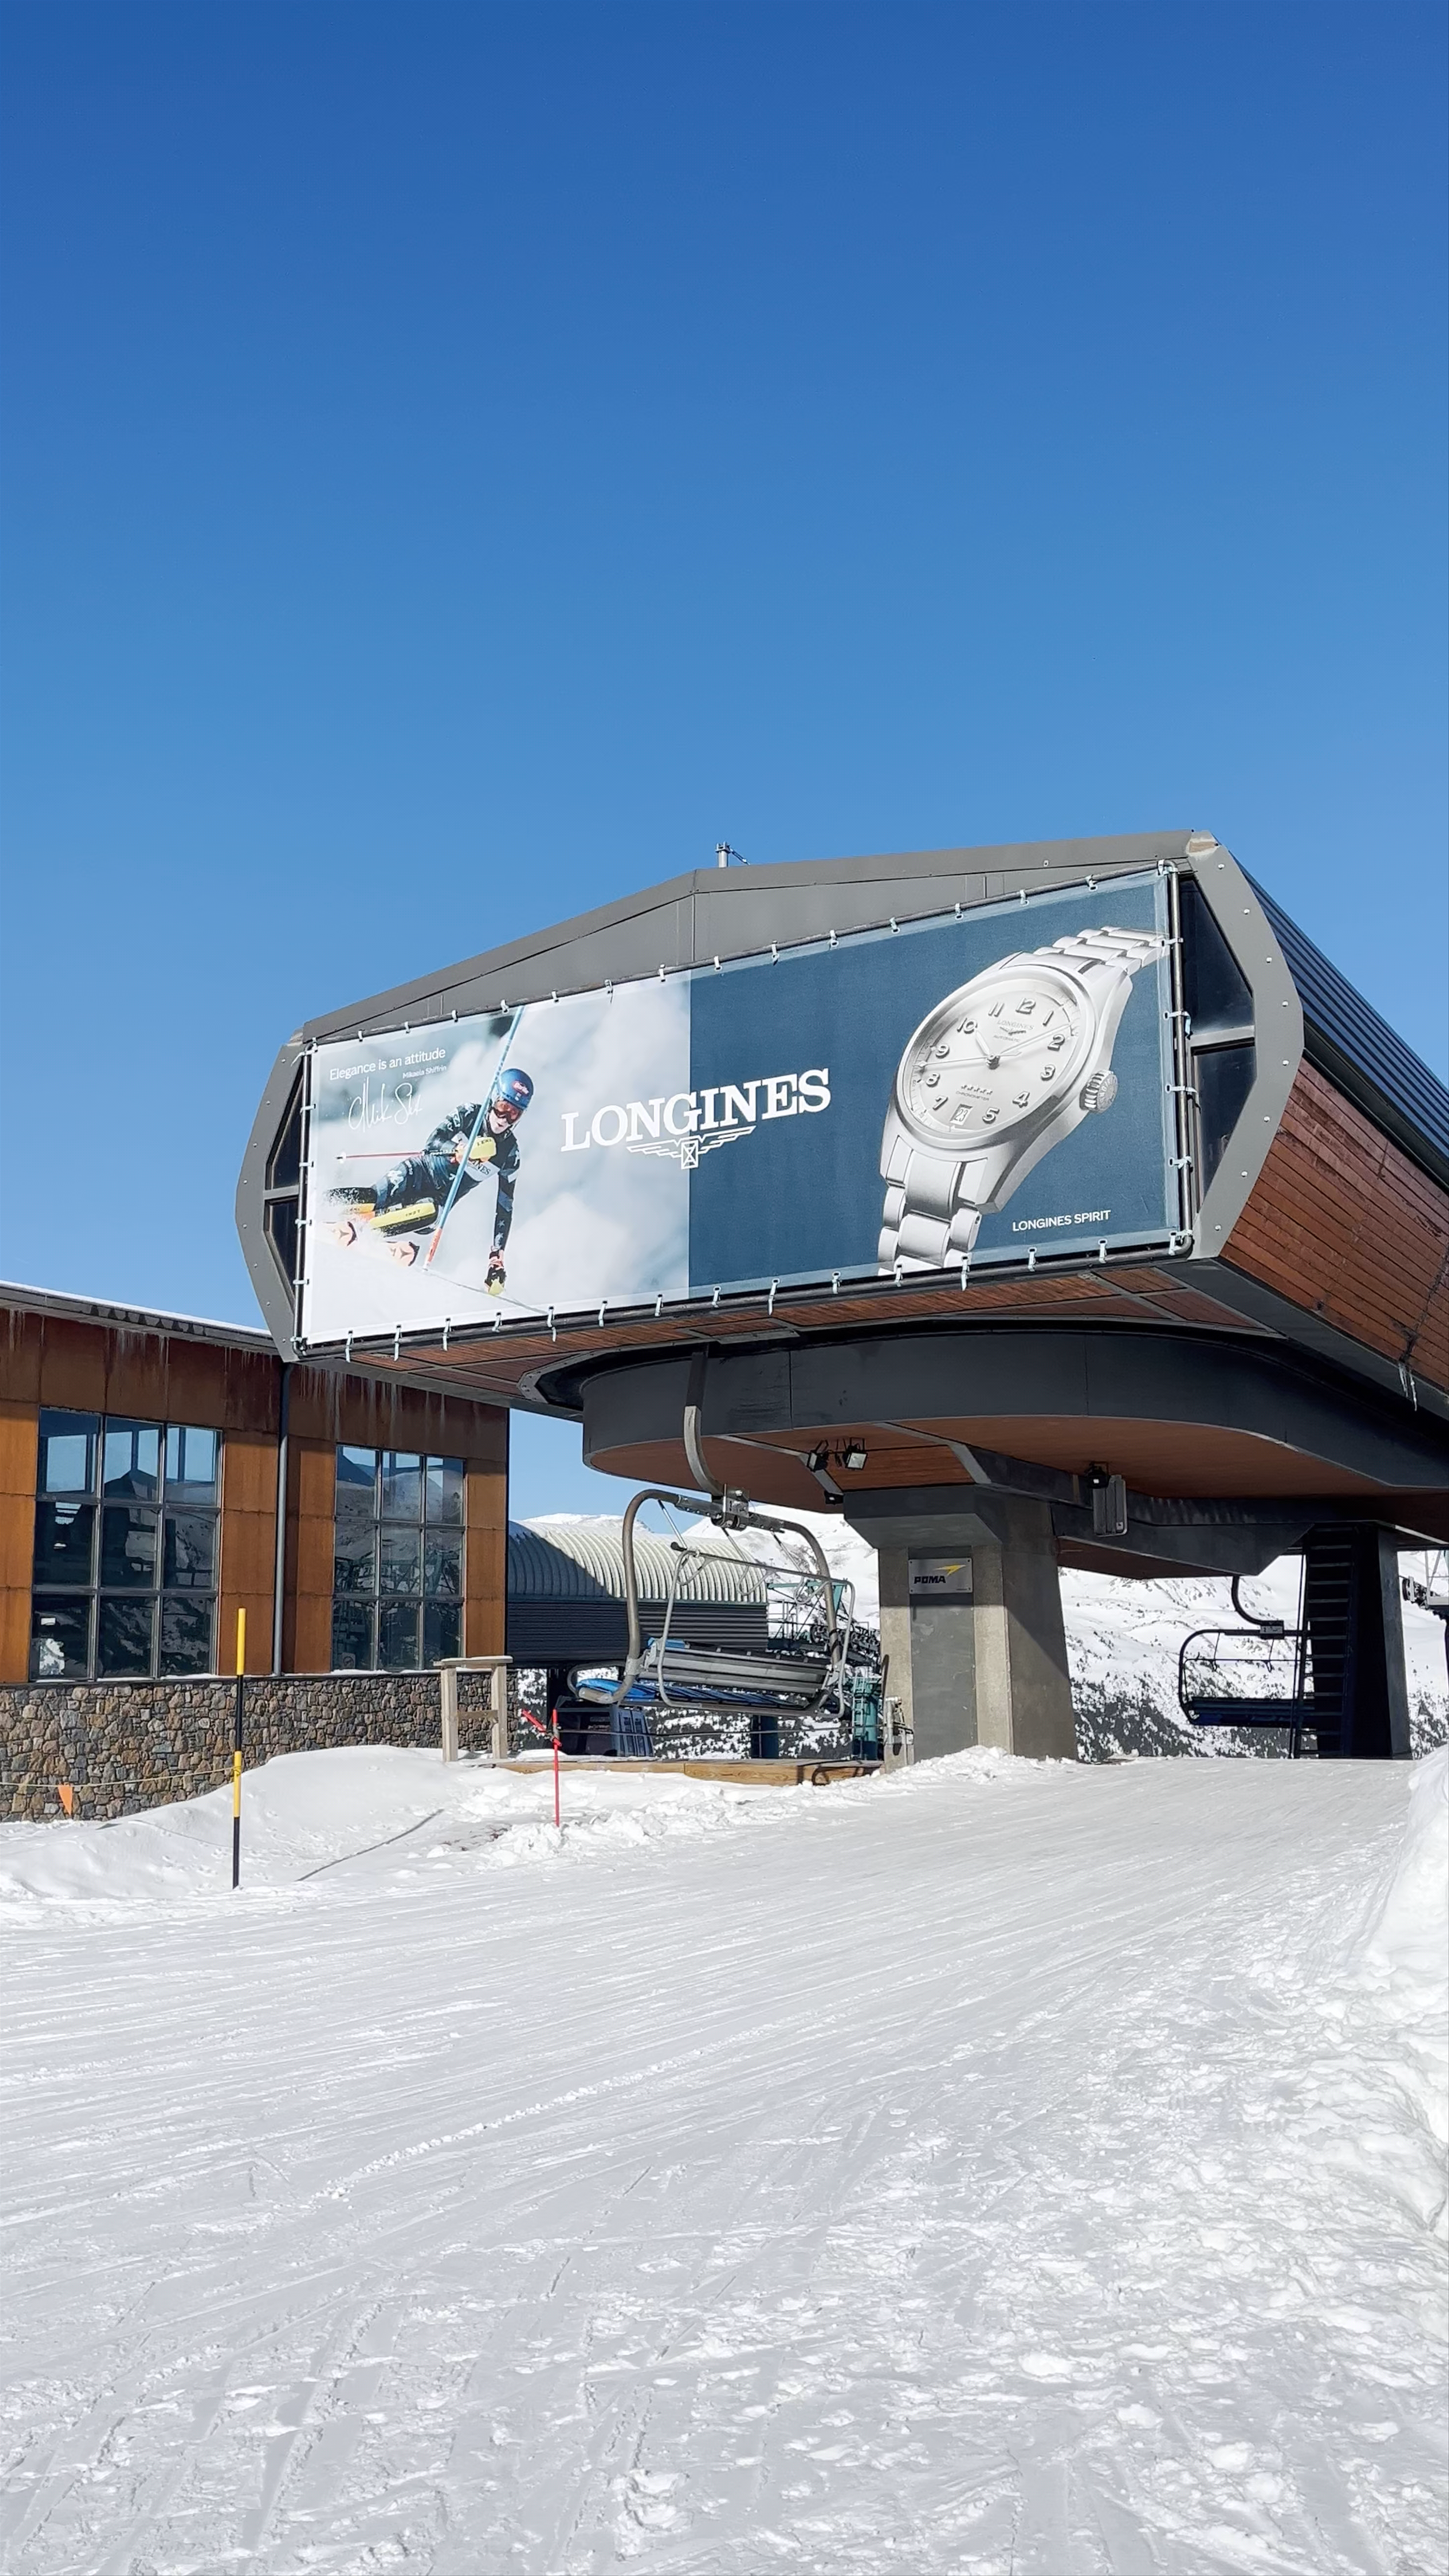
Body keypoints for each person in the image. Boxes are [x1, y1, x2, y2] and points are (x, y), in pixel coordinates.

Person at [328, 1069, 533, 1287]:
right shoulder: (470, 1114)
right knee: (374, 1198)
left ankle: (364, 1232)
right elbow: (433, 1142)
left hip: (437, 1203)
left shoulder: (510, 1154)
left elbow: (505, 1208)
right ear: (494, 1099)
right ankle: (322, 1203)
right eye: (503, 1108)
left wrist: (497, 1257)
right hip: (418, 1173)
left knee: (430, 1213)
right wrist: (460, 1150)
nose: (504, 1119)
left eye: (514, 1114)